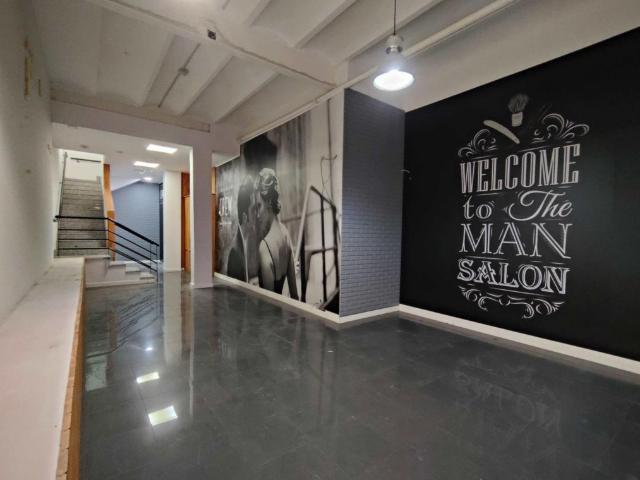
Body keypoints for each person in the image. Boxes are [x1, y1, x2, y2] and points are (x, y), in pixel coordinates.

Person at [254, 168, 299, 300]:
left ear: (269, 202)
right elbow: (295, 295)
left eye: (259, 206)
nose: (257, 215)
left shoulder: (264, 247)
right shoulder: (285, 233)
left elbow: (269, 306)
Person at [226, 176, 256, 282]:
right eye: (253, 210)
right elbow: (234, 291)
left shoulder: (245, 241)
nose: (257, 215)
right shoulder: (235, 254)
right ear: (244, 217)